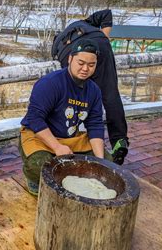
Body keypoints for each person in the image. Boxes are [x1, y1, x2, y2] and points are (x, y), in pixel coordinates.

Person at [19, 38, 107, 195]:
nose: (85, 68)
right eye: (81, 63)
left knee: (107, 161)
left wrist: (100, 162)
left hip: (70, 139)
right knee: (39, 165)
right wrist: (57, 147)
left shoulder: (94, 91)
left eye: (91, 65)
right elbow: (34, 118)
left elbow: (95, 124)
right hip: (40, 136)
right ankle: (33, 179)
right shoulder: (50, 83)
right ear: (70, 59)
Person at [54, 9, 129, 165]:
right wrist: (104, 38)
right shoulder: (83, 23)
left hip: (71, 54)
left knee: (74, 96)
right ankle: (119, 140)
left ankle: (70, 136)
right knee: (109, 93)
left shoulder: (57, 44)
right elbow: (107, 13)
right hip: (99, 42)